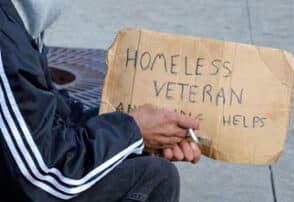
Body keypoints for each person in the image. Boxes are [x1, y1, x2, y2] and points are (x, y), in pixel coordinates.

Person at [0, 0, 202, 201]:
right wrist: (133, 130)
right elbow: (39, 179)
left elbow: (52, 119)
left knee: (137, 161)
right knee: (154, 177)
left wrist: (135, 134)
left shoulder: (19, 19)